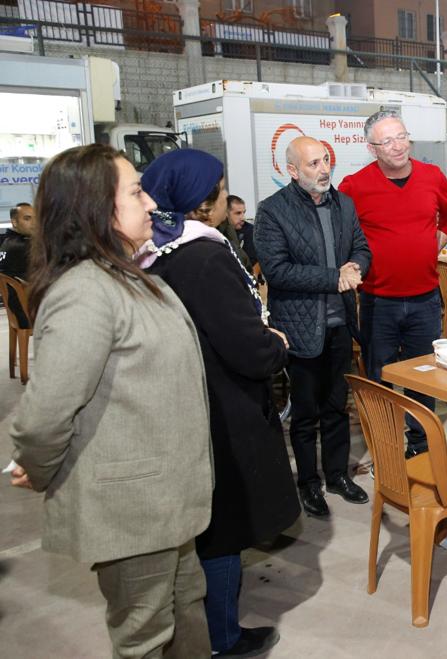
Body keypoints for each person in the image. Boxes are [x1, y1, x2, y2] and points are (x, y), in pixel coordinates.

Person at [9, 144, 213, 657]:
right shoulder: (85, 292)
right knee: (144, 636)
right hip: (132, 507)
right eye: (136, 192)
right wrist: (38, 465)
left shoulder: (128, 275)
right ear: (96, 208)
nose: (150, 204)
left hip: (165, 501)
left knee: (186, 610)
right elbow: (45, 413)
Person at [140, 149, 300, 657]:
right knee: (224, 527)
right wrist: (275, 344)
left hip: (186, 396)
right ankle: (222, 639)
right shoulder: (205, 256)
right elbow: (247, 347)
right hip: (222, 406)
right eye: (221, 191)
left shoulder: (154, 252)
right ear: (203, 203)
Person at [257, 135, 372, 514]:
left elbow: (361, 247)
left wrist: (357, 266)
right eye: (313, 164)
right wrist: (332, 278)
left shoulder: (344, 204)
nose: (324, 170)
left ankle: (337, 475)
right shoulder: (273, 211)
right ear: (292, 171)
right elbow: (277, 270)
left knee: (337, 407)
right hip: (301, 328)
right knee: (305, 413)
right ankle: (309, 484)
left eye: (326, 160)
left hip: (340, 325)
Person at [339, 109, 447, 457]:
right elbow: (340, 228)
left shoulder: (431, 176)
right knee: (380, 378)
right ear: (372, 148)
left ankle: (420, 448)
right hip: (379, 302)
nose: (397, 146)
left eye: (401, 136)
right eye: (387, 141)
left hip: (425, 299)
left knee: (423, 377)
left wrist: (437, 241)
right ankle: (387, 448)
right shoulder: (354, 185)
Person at [0, 202, 34, 326]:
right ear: (14, 222)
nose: (34, 223)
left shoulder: (7, 242)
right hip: (28, 313)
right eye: (27, 218)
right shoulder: (23, 246)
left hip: (16, 309)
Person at [227, 194, 258, 266]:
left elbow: (255, 261)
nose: (243, 218)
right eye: (238, 213)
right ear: (226, 213)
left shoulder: (251, 231)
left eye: (244, 212)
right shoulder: (217, 232)